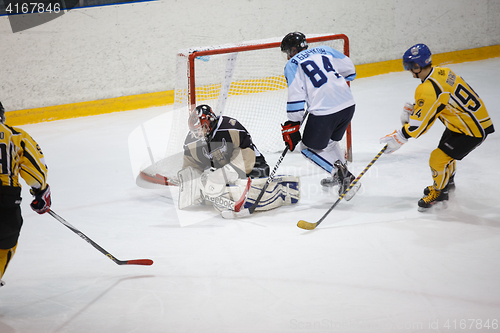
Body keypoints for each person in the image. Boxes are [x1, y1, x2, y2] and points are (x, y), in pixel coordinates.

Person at [380, 44, 495, 211]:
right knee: (445, 155)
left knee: (437, 159)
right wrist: (416, 108)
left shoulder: (427, 89)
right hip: (463, 122)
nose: (409, 71)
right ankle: (447, 181)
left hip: (471, 131)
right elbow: (439, 100)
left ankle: (440, 193)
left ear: (417, 66)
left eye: (409, 67)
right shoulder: (443, 72)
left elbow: (419, 126)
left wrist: (400, 136)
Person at [280, 31, 360, 200]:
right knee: (330, 143)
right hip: (348, 105)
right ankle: (341, 175)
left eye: (288, 52)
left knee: (308, 148)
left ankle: (343, 176)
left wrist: (292, 124)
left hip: (326, 111)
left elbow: (296, 96)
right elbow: (351, 71)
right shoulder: (325, 50)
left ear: (293, 50)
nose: (288, 57)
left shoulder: (292, 64)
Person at [178, 104, 300, 213]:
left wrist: (227, 173)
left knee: (247, 181)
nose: (199, 134)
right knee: (215, 183)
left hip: (254, 164)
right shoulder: (191, 142)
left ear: (210, 122)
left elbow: (247, 154)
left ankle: (280, 191)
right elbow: (190, 167)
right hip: (223, 171)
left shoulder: (230, 127)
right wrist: (193, 183)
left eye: (201, 129)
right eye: (195, 131)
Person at [0, 102, 51, 287]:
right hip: (4, 200)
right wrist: (41, 193)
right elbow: (35, 174)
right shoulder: (15, 135)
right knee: (5, 242)